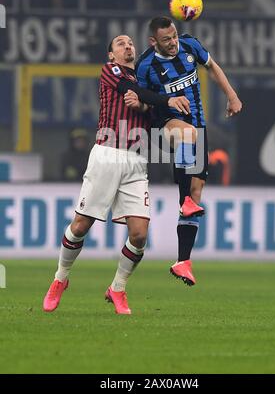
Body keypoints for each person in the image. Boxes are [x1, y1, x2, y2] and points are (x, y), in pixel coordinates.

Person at [43, 34, 190, 315]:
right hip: (107, 154)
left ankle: (117, 288)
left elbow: (153, 111)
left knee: (139, 235)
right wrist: (164, 100)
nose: (128, 46)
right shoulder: (111, 71)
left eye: (131, 43)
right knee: (80, 226)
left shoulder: (147, 83)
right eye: (120, 44)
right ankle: (60, 279)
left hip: (137, 159)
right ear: (112, 54)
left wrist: (150, 104)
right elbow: (129, 89)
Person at [131, 16, 242, 286]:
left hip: (198, 127)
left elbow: (213, 67)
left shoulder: (190, 46)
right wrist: (139, 104)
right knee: (186, 137)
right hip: (164, 125)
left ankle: (183, 261)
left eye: (174, 36)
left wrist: (232, 95)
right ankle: (186, 202)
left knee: (196, 192)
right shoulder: (145, 65)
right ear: (153, 41)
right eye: (166, 39)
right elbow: (145, 100)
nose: (173, 42)